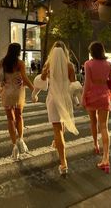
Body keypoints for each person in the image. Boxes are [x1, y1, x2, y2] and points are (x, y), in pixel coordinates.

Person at [32, 41, 79, 176]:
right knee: (62, 123)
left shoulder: (48, 65)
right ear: (65, 52)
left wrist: (34, 95)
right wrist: (76, 101)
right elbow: (73, 86)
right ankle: (58, 145)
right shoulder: (69, 66)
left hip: (53, 100)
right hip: (65, 99)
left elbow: (40, 82)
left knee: (57, 129)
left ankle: (63, 163)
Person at [0, 43, 34, 160]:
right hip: (18, 93)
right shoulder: (19, 63)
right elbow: (24, 78)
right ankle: (21, 140)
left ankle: (14, 146)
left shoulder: (3, 62)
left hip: (7, 93)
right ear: (18, 51)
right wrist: (34, 89)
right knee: (19, 116)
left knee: (10, 119)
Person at [82, 41, 111, 174]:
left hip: (92, 96)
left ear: (92, 52)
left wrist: (83, 97)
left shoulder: (88, 64)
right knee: (104, 126)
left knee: (93, 121)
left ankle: (96, 145)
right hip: (104, 96)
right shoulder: (108, 64)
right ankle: (106, 158)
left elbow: (87, 82)